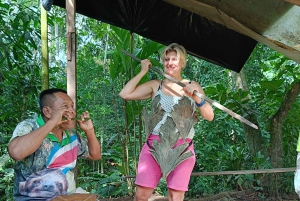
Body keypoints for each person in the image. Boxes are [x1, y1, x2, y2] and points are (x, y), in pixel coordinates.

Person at [119, 43, 214, 201]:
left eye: (174, 59)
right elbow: (125, 94)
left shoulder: (193, 86)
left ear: (182, 63)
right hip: (154, 145)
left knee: (175, 197)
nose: (170, 62)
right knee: (141, 195)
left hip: (182, 146)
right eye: (166, 59)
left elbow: (209, 116)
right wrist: (143, 71)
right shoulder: (156, 85)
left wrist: (197, 98)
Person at [8, 88, 101, 201]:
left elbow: (95, 155)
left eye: (72, 106)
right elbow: (16, 153)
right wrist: (52, 122)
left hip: (68, 195)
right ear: (47, 112)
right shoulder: (30, 126)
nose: (72, 111)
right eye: (65, 106)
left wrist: (89, 131)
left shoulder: (70, 133)